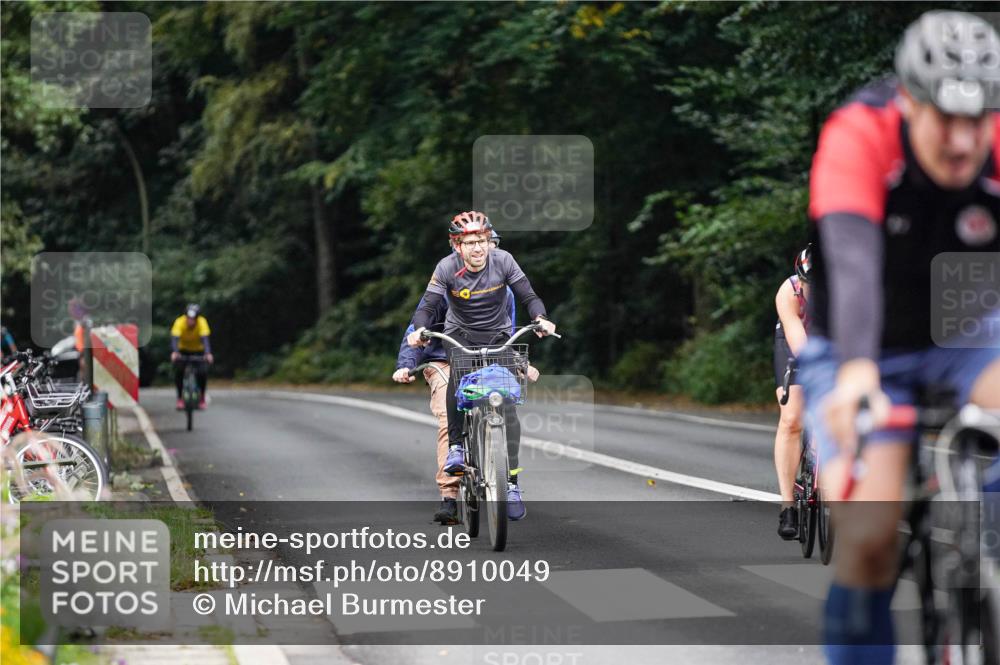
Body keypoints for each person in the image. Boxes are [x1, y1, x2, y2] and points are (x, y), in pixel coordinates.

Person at [797, 11, 1000, 664]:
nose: (964, 141)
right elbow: (853, 267)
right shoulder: (858, 135)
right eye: (946, 118)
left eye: (979, 120)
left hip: (966, 331)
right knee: (869, 537)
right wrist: (856, 372)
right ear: (909, 100)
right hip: (864, 342)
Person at [407, 211, 556, 522]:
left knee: (509, 402)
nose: (478, 248)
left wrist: (540, 319)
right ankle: (457, 449)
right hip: (459, 335)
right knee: (459, 378)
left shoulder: (503, 260)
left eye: (483, 241)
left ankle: (511, 483)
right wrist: (419, 331)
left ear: (490, 242)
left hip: (499, 335)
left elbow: (528, 295)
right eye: (470, 242)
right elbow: (427, 306)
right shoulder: (446, 268)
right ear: (457, 246)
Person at [393, 231, 519, 525]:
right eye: (476, 245)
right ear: (461, 251)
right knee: (445, 414)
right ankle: (449, 495)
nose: (484, 251)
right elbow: (416, 328)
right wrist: (406, 363)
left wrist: (519, 364)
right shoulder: (446, 285)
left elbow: (508, 335)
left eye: (490, 245)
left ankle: (503, 476)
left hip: (486, 355)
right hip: (443, 358)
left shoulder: (505, 290)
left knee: (503, 401)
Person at [773, 246, 811, 540]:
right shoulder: (789, 292)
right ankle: (788, 506)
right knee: (792, 418)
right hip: (795, 337)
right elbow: (797, 340)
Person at [170, 304, 214, 410]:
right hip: (183, 350)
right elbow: (175, 338)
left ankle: (202, 397)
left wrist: (208, 353)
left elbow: (205, 339)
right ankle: (180, 398)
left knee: (202, 373)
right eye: (188, 318)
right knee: (179, 372)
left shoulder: (202, 322)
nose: (190, 321)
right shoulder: (179, 322)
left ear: (197, 318)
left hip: (198, 351)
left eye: (193, 319)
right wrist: (175, 352)